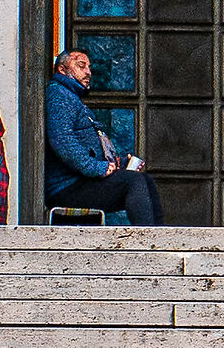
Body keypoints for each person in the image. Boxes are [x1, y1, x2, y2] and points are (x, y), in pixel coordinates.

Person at [46, 51, 164, 225]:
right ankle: (147, 245)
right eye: (81, 66)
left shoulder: (72, 98)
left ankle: (158, 241)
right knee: (134, 182)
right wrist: (97, 168)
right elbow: (63, 141)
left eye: (89, 67)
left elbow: (88, 147)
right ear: (62, 70)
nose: (88, 72)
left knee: (146, 180)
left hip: (82, 182)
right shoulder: (59, 95)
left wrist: (118, 163)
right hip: (66, 188)